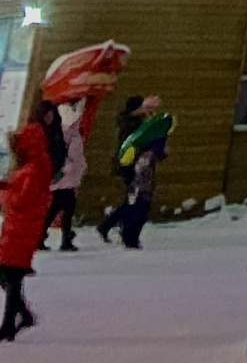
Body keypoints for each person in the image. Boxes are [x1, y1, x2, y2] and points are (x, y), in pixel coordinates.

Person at [1, 105, 55, 339]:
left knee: (11, 277)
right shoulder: (34, 165)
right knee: (10, 276)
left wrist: (3, 193)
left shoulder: (32, 169)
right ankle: (21, 316)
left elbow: (20, 200)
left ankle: (9, 326)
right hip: (19, 227)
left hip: (22, 227)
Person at [98, 93, 172, 249]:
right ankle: (124, 233)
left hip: (134, 166)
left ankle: (112, 227)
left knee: (132, 200)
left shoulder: (133, 122)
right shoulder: (131, 124)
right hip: (132, 167)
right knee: (137, 202)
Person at [42, 98, 88, 251]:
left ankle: (43, 236)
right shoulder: (65, 133)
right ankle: (64, 239)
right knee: (65, 208)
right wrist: (66, 169)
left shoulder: (73, 133)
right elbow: (63, 154)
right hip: (64, 177)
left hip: (68, 177)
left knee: (57, 208)